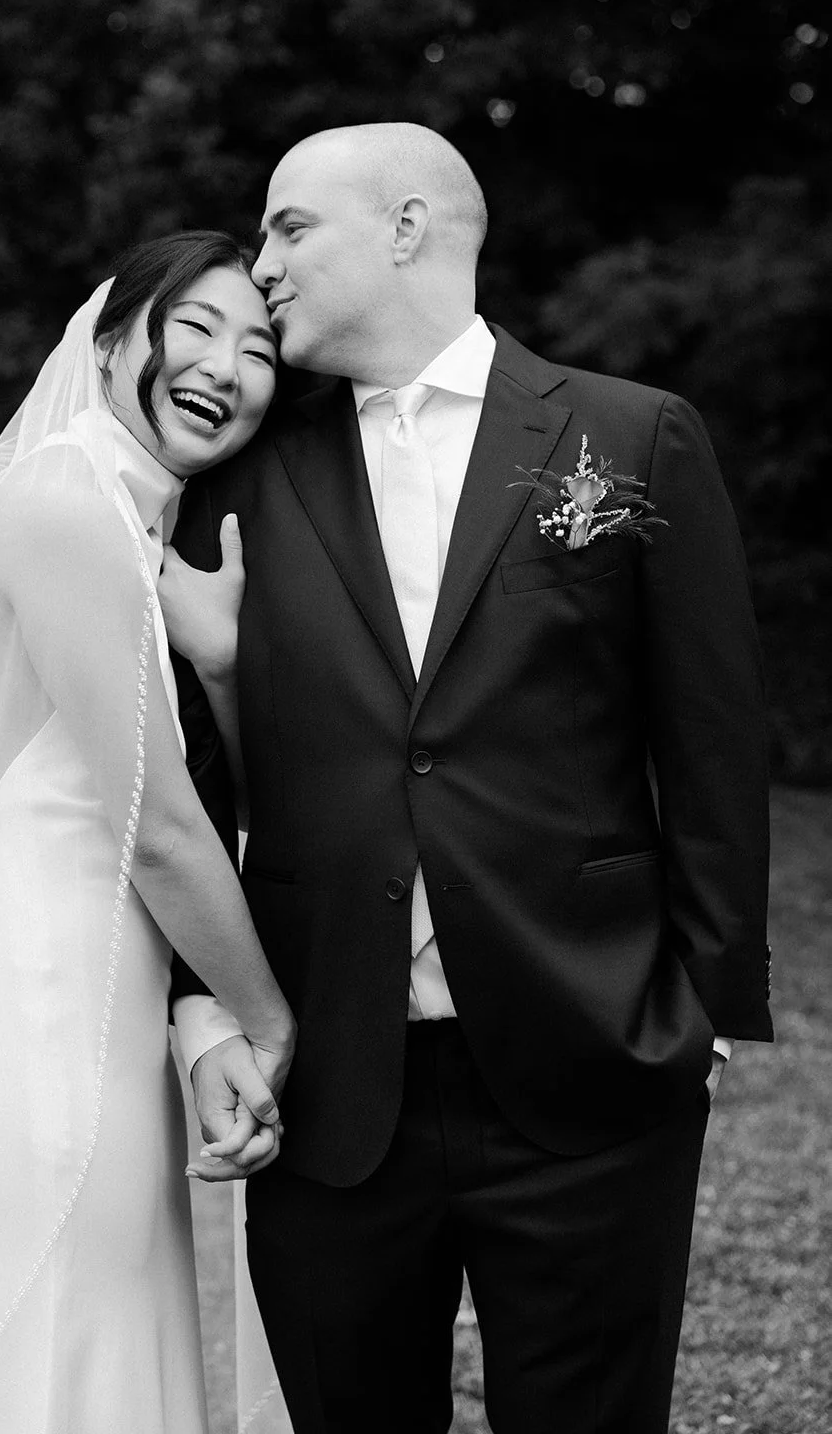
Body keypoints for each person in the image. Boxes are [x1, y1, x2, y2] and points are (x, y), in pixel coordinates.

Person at [163, 125, 774, 1434]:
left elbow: (712, 743)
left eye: (287, 227)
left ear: (405, 226)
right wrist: (200, 1014)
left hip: (591, 1062)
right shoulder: (237, 476)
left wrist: (704, 1014)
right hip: (326, 1081)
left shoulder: (628, 436)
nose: (258, 262)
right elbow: (181, 771)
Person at [0, 231, 295, 1434]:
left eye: (258, 347)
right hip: (34, 997)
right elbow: (167, 833)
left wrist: (224, 660)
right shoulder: (67, 502)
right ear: (111, 336)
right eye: (195, 328)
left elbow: (199, 780)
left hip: (82, 986)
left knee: (80, 1315)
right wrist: (269, 1020)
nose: (226, 367)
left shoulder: (124, 527)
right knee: (43, 1328)